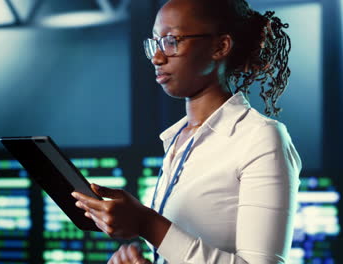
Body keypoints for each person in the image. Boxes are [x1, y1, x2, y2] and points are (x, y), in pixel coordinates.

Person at [71, 0, 302, 263]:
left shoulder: (260, 138)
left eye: (172, 41)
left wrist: (147, 223)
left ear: (220, 46)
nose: (157, 57)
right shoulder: (177, 140)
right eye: (155, 43)